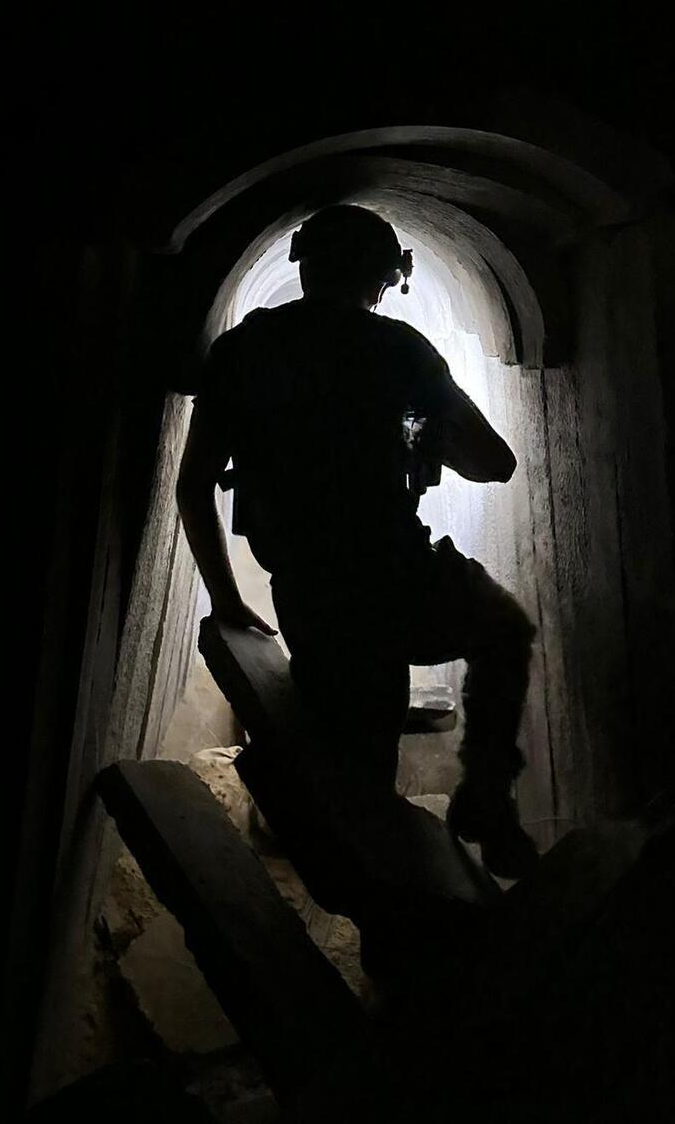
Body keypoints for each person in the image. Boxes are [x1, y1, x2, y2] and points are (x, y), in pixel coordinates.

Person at [177, 204, 537, 878]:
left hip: (312, 596)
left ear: (307, 266)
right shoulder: (398, 350)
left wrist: (227, 599)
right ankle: (485, 799)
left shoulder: (243, 352)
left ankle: (387, 937)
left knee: (362, 774)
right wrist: (430, 434)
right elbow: (496, 460)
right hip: (397, 577)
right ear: (381, 276)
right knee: (502, 628)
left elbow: (194, 486)